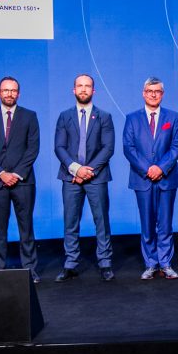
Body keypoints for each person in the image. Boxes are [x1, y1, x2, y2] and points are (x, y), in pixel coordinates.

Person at [0, 77, 41, 283]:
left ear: (18, 94)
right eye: (5, 90)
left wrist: (17, 174)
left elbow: (33, 149)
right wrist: (1, 174)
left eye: (13, 90)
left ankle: (30, 270)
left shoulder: (30, 116)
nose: (9, 94)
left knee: (26, 228)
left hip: (23, 182)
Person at [54, 74, 116, 282]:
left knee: (102, 221)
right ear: (74, 90)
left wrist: (88, 171)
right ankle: (70, 263)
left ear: (93, 90)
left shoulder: (104, 116)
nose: (83, 89)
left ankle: (105, 262)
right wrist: (76, 169)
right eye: (79, 86)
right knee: (70, 221)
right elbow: (59, 147)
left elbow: (108, 148)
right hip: (70, 177)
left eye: (87, 86)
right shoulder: (64, 116)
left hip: (96, 177)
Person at [123, 77, 178, 280]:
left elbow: (176, 146)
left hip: (167, 179)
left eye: (157, 91)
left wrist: (160, 168)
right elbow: (129, 148)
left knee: (165, 224)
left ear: (162, 94)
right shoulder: (132, 118)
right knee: (147, 224)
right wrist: (148, 169)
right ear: (143, 93)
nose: (153, 94)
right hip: (142, 179)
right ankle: (151, 264)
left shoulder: (173, 117)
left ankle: (165, 263)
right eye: (150, 91)